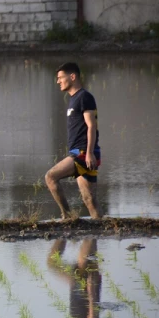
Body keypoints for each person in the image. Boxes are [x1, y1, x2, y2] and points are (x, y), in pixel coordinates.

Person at [45, 62, 102, 219]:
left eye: (60, 77)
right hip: (81, 152)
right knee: (89, 200)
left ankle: (67, 217)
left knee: (50, 177)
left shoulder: (84, 97)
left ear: (72, 76)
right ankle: (100, 230)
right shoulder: (73, 99)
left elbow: (91, 126)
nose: (58, 81)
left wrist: (90, 153)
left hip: (83, 152)